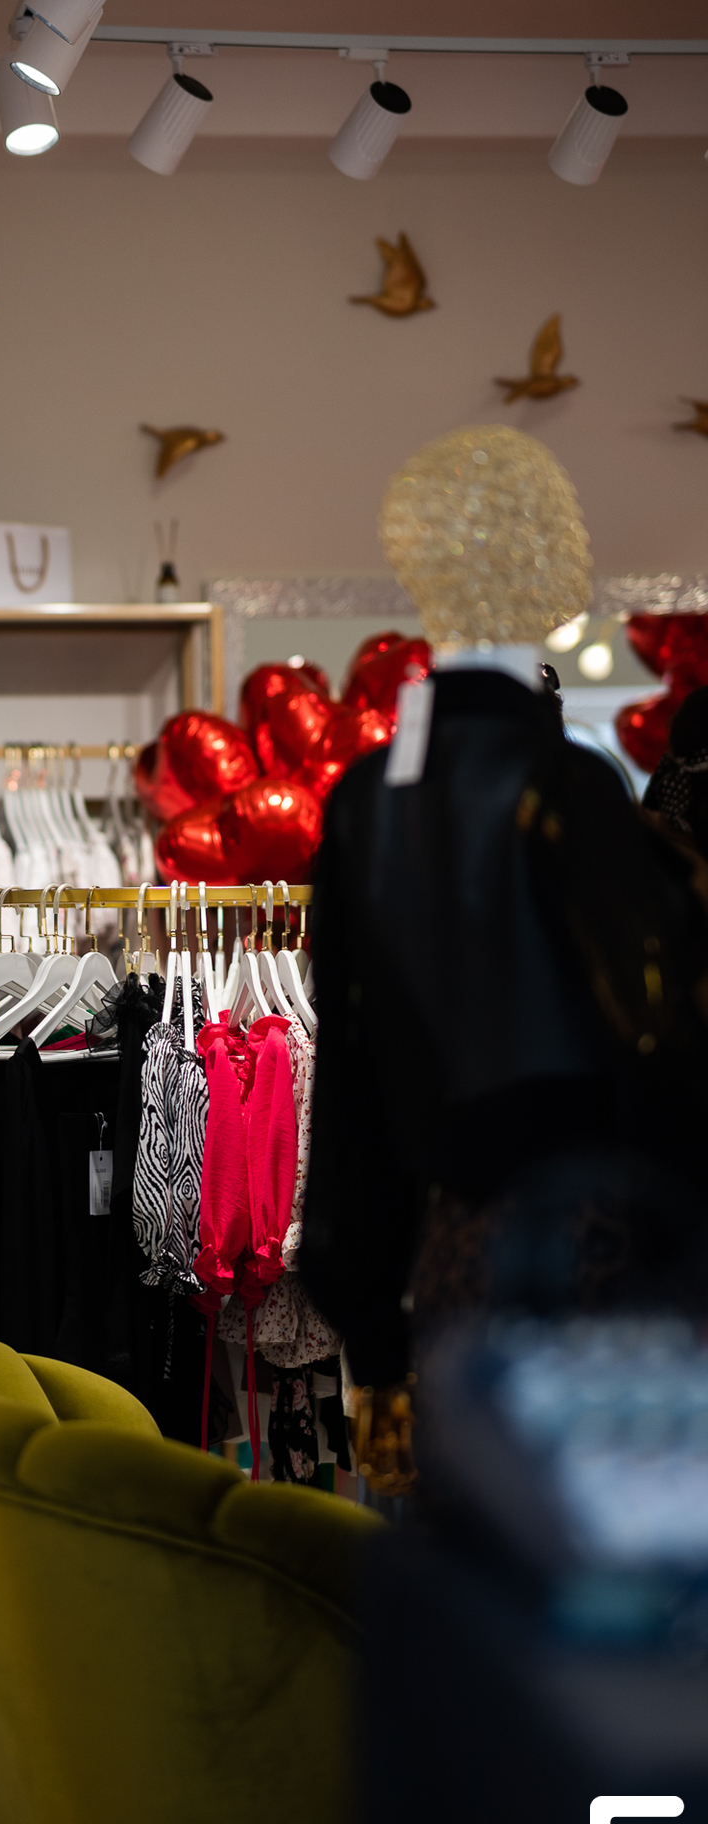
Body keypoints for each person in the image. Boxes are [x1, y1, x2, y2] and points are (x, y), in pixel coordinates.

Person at [299, 426, 708, 1488]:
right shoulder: (571, 789)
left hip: (441, 1267)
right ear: (548, 569)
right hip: (596, 1269)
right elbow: (653, 1053)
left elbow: (347, 1086)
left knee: (474, 1544)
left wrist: (370, 1338)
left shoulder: (362, 804)